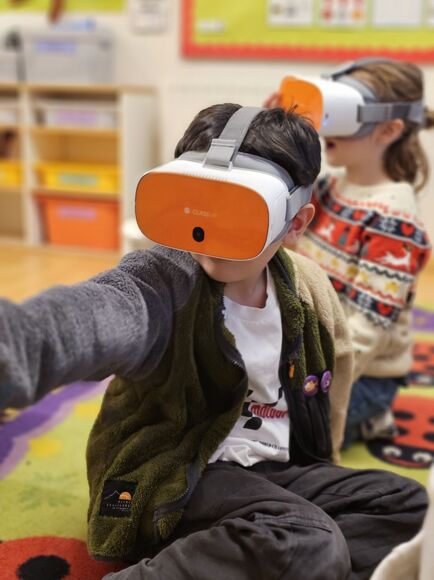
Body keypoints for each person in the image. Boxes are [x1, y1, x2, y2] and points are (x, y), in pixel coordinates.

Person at [0, 104, 427, 580]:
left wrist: (321, 471)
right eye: (199, 203)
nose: (211, 234)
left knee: (406, 505)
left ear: (295, 222)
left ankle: (269, 555)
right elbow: (81, 320)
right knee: (306, 538)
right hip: (177, 474)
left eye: (241, 211)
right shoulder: (164, 282)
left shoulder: (305, 289)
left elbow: (332, 388)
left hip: (275, 471)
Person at [269, 59, 433, 446]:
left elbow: (365, 332)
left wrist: (311, 385)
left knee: (272, 437)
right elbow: (279, 233)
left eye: (341, 114)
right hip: (307, 345)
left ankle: (371, 416)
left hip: (362, 374)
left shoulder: (394, 221)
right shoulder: (329, 189)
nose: (325, 126)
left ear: (388, 130)